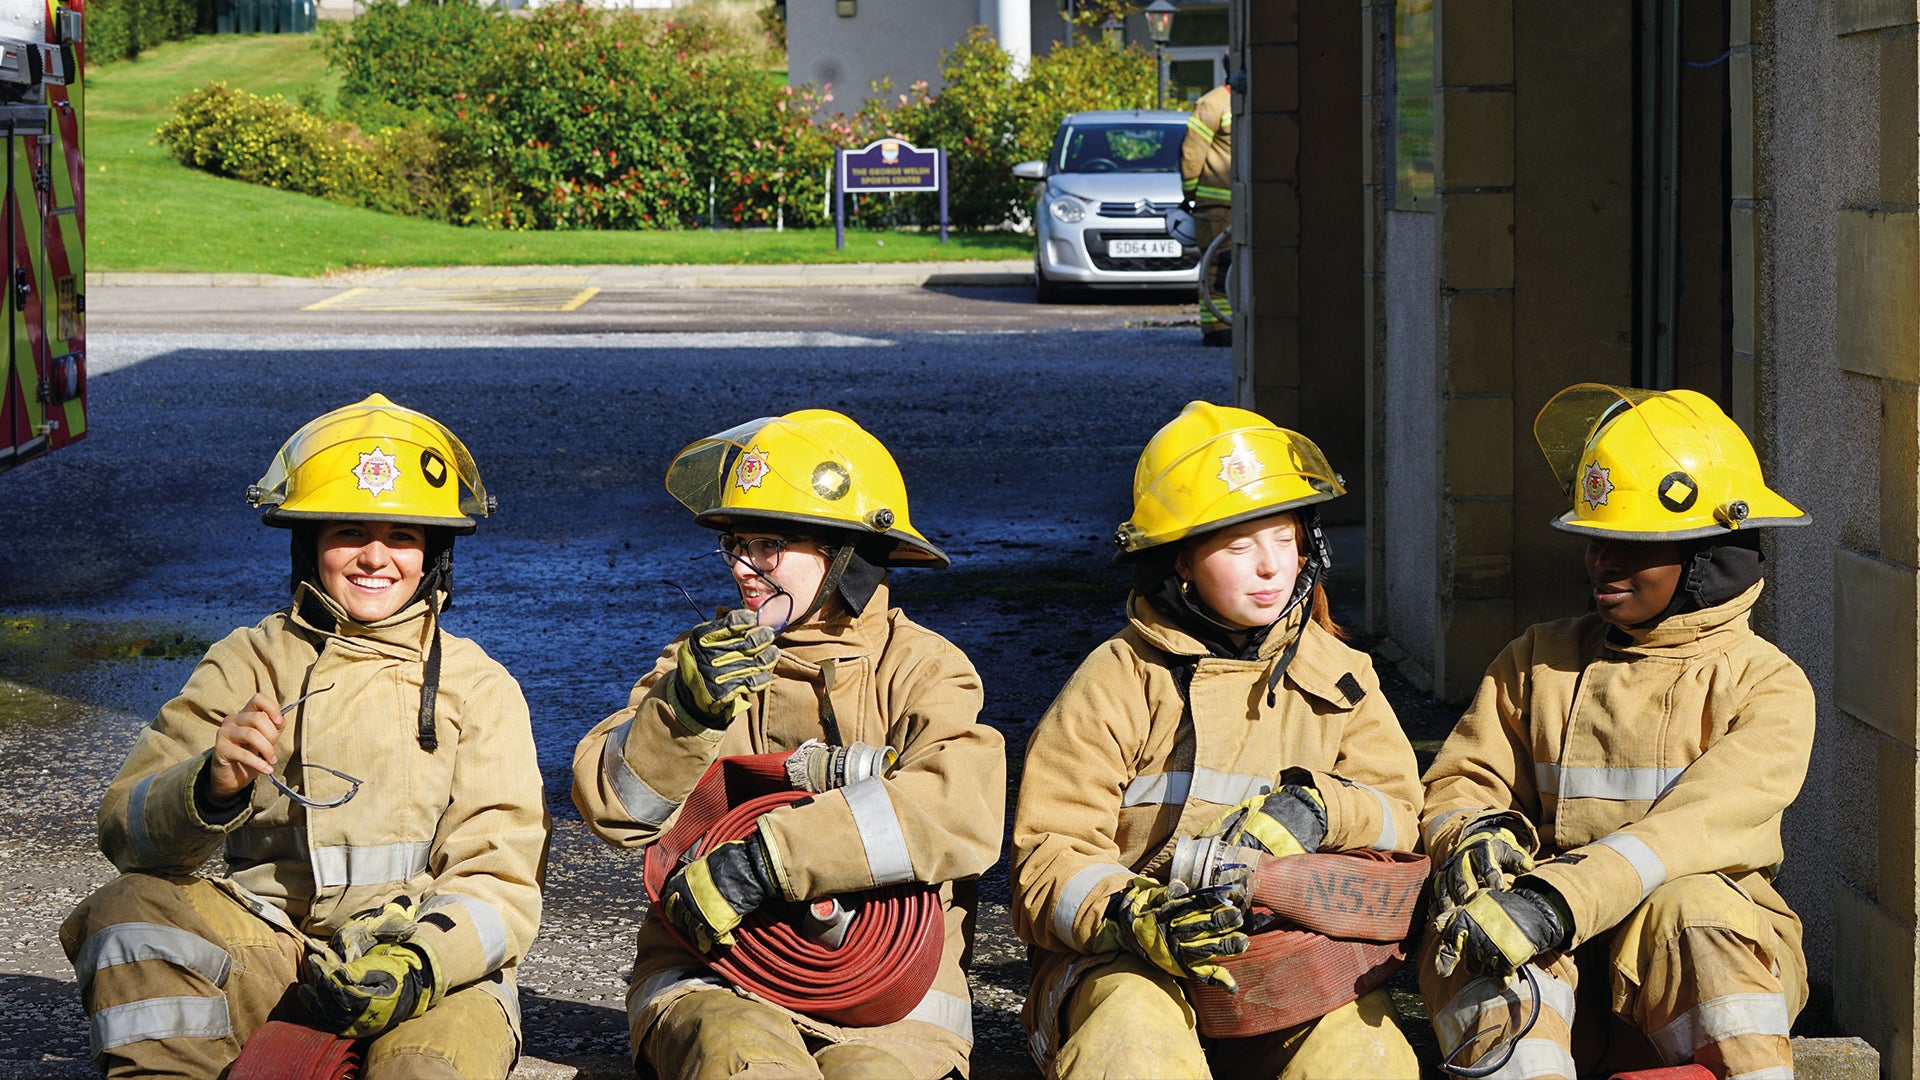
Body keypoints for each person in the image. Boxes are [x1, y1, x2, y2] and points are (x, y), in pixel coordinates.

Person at [60, 393, 549, 1079]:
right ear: (309, 543)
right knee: (127, 912)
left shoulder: (478, 684)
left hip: (431, 970)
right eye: (348, 532)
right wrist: (209, 785)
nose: (375, 558)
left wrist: (421, 961)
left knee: (424, 1070)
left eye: (403, 538)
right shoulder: (248, 661)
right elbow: (126, 831)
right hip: (276, 953)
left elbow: (500, 882)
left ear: (432, 556)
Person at [571, 408, 1006, 1079]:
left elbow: (960, 809)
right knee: (739, 1062)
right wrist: (683, 714)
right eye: (736, 543)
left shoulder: (924, 668)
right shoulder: (701, 665)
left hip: (892, 999)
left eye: (769, 544)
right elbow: (613, 813)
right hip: (712, 977)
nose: (745, 566)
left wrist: (770, 860)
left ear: (846, 555)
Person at [1011, 400, 1422, 1079]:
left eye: (1284, 539)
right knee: (1132, 1038)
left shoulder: (1343, 677)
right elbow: (1045, 860)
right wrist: (1131, 915)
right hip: (1126, 965)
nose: (1269, 567)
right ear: (1180, 564)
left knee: (1363, 1058)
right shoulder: (1117, 679)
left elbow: (1401, 816)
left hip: (1292, 966)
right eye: (1238, 547)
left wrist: (1324, 808)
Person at [1420, 384, 1814, 1079]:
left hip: (1685, 972)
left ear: (1707, 558)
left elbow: (1689, 832)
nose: (1603, 561)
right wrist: (1472, 835)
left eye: (1632, 546)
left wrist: (1557, 900)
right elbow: (1462, 779)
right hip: (1552, 968)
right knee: (1487, 927)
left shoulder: (1765, 684)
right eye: (1597, 540)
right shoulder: (1537, 658)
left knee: (1694, 906)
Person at [1180, 68, 1234, 348]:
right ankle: (1216, 327)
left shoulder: (1239, 101)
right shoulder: (1212, 104)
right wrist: (1191, 193)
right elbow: (1192, 154)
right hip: (1216, 206)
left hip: (1239, 205)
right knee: (1219, 266)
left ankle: (1230, 321)